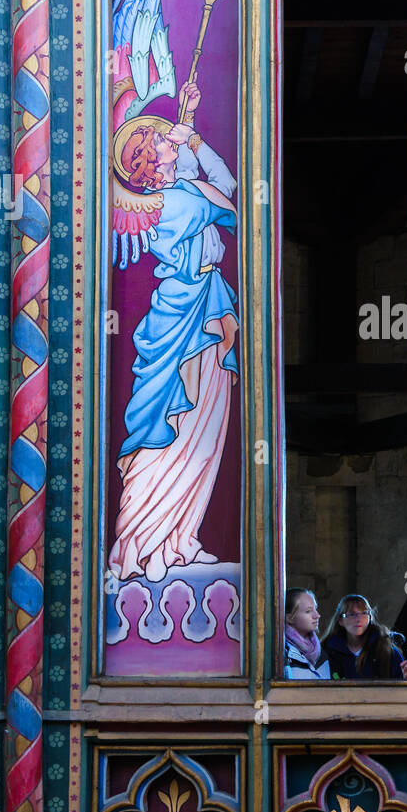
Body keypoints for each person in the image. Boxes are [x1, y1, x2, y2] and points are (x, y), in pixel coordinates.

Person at [108, 78, 239, 583]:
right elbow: (226, 202)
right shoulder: (171, 206)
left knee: (204, 420)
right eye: (160, 138)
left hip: (205, 304)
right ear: (149, 163)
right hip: (182, 316)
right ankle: (142, 539)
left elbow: (221, 184)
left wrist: (192, 137)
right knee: (171, 423)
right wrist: (192, 141)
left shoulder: (179, 190)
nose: (169, 136)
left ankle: (181, 536)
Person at [323, 595, 406, 680]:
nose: (358, 619)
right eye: (352, 614)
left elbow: (402, 681)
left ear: (370, 617)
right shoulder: (329, 651)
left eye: (364, 613)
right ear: (341, 621)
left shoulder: (385, 649)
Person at [283, 587, 330, 680]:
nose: (317, 615)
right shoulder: (282, 653)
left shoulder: (321, 652)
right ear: (289, 618)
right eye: (308, 611)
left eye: (315, 609)